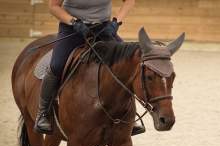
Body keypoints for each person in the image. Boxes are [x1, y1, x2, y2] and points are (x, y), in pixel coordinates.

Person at [34, 0, 145, 135]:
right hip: (73, 29)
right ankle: (43, 113)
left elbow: (129, 1)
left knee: (127, 63)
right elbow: (53, 6)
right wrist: (74, 22)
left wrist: (116, 22)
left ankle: (129, 115)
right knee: (56, 66)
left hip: (103, 29)